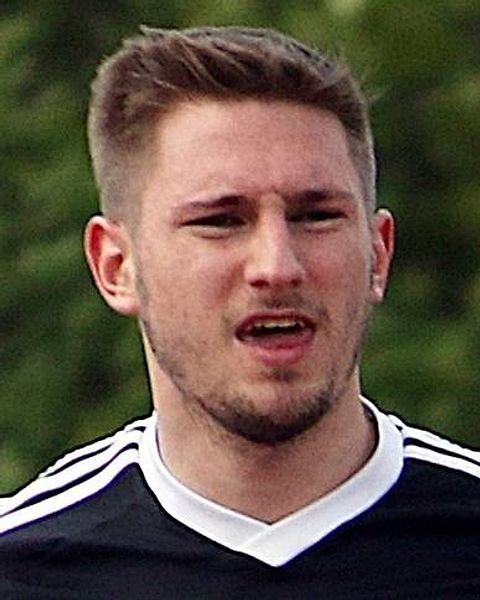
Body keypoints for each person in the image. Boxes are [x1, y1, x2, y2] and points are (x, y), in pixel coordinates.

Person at [0, 26, 478, 599]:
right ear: (116, 266)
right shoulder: (26, 567)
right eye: (220, 221)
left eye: (316, 216)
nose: (277, 266)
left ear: (378, 255)